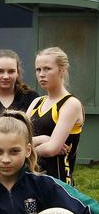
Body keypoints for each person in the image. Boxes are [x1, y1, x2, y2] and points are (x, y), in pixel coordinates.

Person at [27, 47, 84, 186]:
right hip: (30, 177)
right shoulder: (36, 102)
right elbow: (17, 137)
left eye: (47, 69)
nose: (41, 74)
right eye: (38, 69)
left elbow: (52, 149)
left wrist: (21, 151)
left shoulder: (71, 104)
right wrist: (42, 139)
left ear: (62, 70)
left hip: (58, 182)